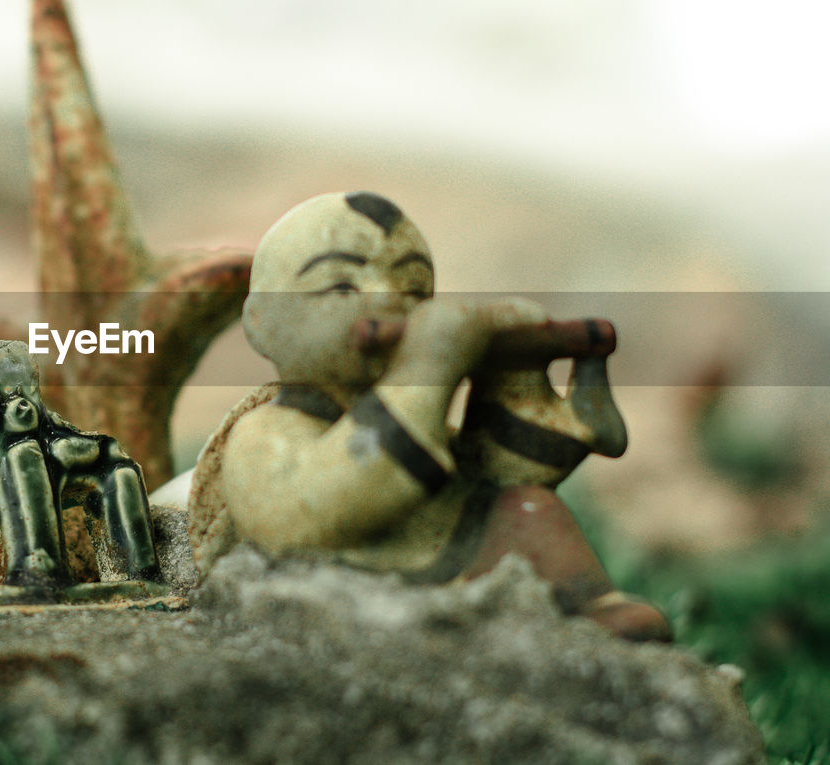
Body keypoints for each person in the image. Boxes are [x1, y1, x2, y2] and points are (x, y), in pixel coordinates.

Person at [189, 191, 670, 641]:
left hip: (439, 555)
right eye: (340, 285)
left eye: (415, 289)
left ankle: (590, 604)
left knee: (528, 507)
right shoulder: (263, 434)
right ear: (260, 323)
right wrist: (426, 368)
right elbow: (311, 516)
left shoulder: (420, 410)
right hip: (342, 573)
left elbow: (490, 475)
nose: (388, 299)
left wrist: (512, 377)